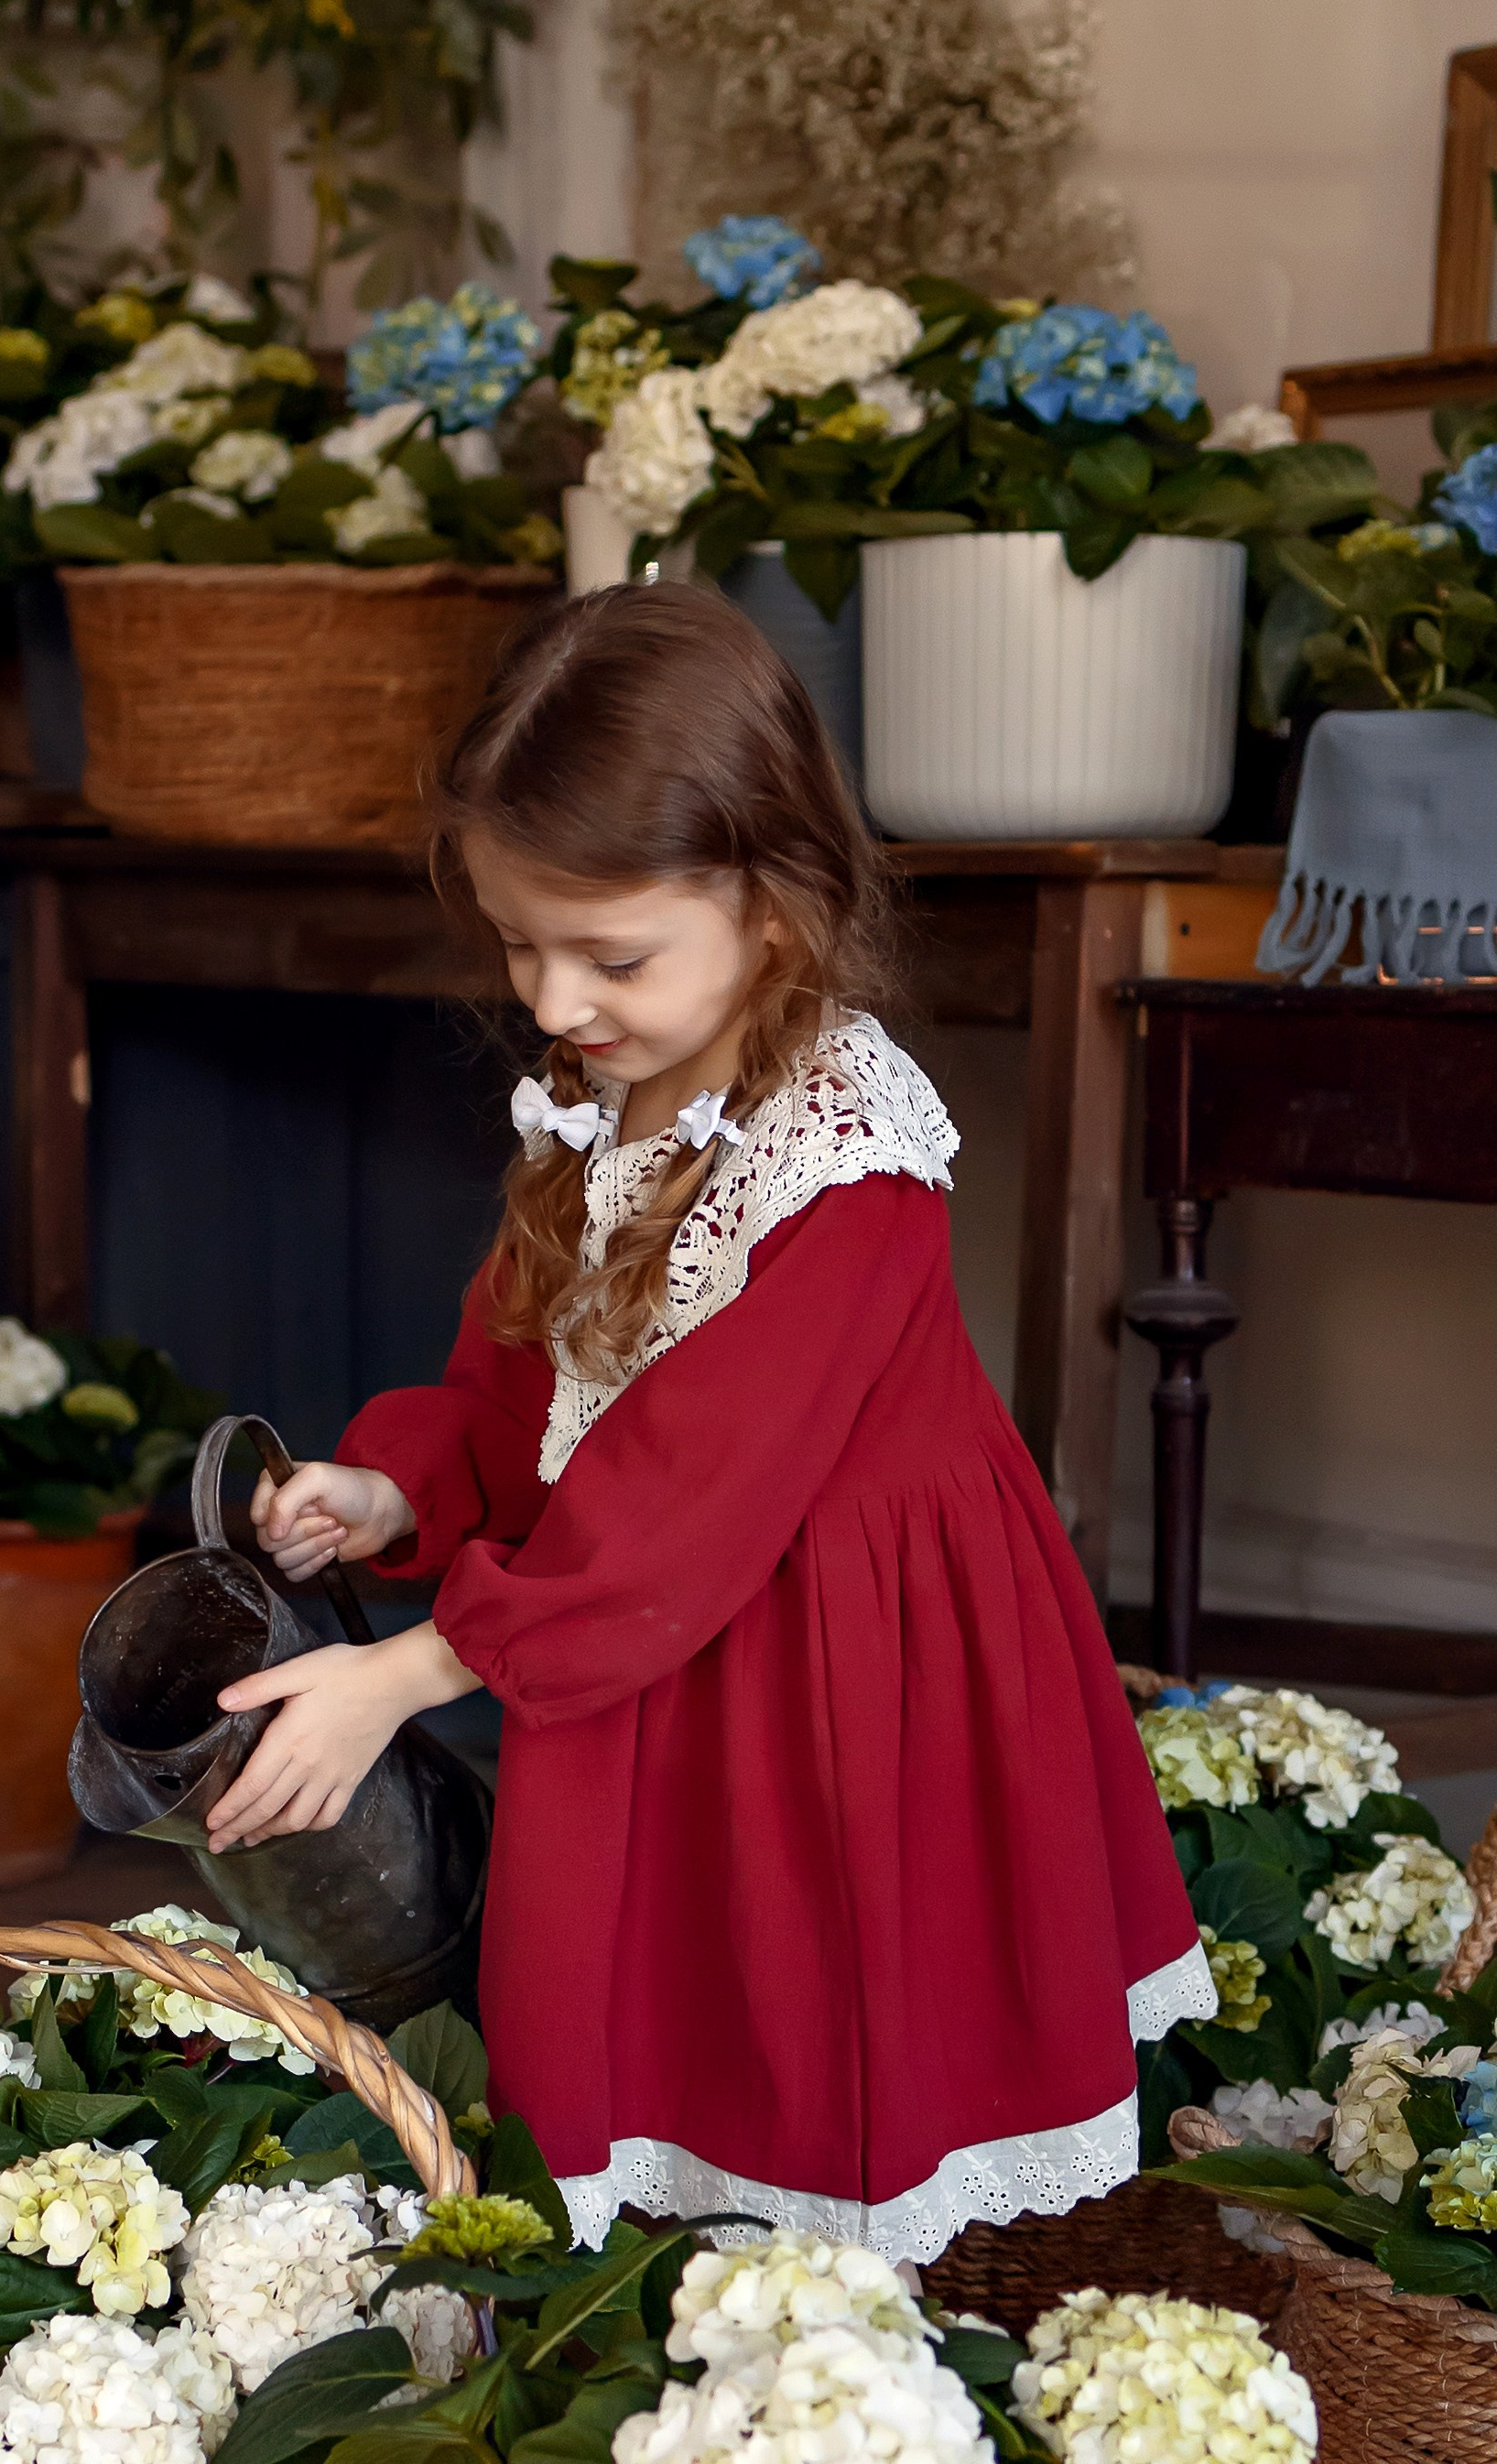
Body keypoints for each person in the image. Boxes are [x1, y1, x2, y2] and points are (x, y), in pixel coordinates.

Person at [204, 581, 1210, 2265]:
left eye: (609, 956)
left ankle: (839, 2317)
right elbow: (525, 1378)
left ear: (775, 906)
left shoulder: (845, 1162)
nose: (551, 1001)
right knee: (667, 2004)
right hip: (645, 1621)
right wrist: (396, 1487)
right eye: (517, 944)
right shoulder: (604, 1092)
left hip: (824, 1650)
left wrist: (406, 1673)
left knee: (817, 1999)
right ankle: (664, 2301)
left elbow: (691, 1488)